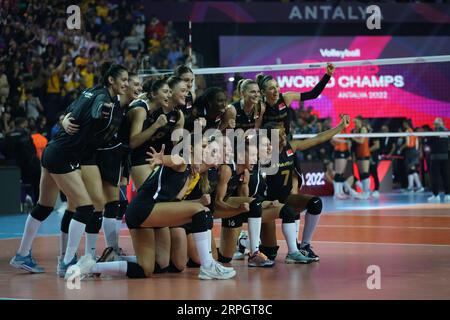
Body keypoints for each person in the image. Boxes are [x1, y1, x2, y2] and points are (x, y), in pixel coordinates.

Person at [10, 63, 129, 274]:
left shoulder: (89, 91)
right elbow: (95, 113)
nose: (126, 84)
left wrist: (65, 119)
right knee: (85, 207)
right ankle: (66, 263)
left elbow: (70, 111)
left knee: (44, 207)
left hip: (52, 149)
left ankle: (22, 255)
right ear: (111, 80)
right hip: (63, 156)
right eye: (124, 80)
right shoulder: (103, 99)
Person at [66, 140, 236, 281]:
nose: (209, 150)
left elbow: (176, 201)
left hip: (151, 215)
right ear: (192, 148)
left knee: (149, 268)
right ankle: (208, 266)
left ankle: (89, 266)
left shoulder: (193, 175)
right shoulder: (183, 162)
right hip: (144, 209)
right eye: (205, 145)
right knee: (201, 211)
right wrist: (162, 158)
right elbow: (174, 159)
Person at [427, 118, 450, 203]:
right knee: (446, 176)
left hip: (435, 158)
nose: (434, 125)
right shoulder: (447, 132)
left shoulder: (433, 133)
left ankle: (436, 195)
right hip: (446, 157)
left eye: (435, 124)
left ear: (436, 124)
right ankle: (448, 195)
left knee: (435, 177)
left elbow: (429, 143)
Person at [400, 119, 424, 193]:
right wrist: (417, 151)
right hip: (414, 151)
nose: (403, 125)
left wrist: (401, 148)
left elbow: (407, 144)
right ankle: (411, 187)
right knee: (410, 170)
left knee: (411, 169)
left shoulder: (407, 131)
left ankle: (419, 186)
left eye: (404, 123)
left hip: (410, 152)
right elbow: (417, 143)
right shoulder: (413, 132)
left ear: (406, 124)